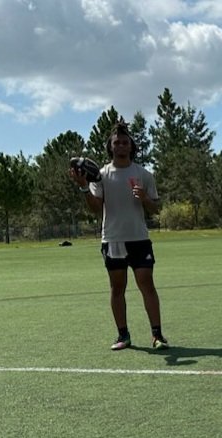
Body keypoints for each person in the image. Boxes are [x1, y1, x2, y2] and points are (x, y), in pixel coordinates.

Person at [69, 122, 169, 351]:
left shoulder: (143, 174)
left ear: (131, 146)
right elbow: (96, 208)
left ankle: (158, 336)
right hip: (112, 239)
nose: (121, 146)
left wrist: (144, 198)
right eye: (117, 143)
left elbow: (156, 209)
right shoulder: (101, 175)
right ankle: (123, 335)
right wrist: (84, 186)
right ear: (110, 147)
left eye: (125, 142)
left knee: (147, 285)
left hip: (139, 239)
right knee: (117, 288)